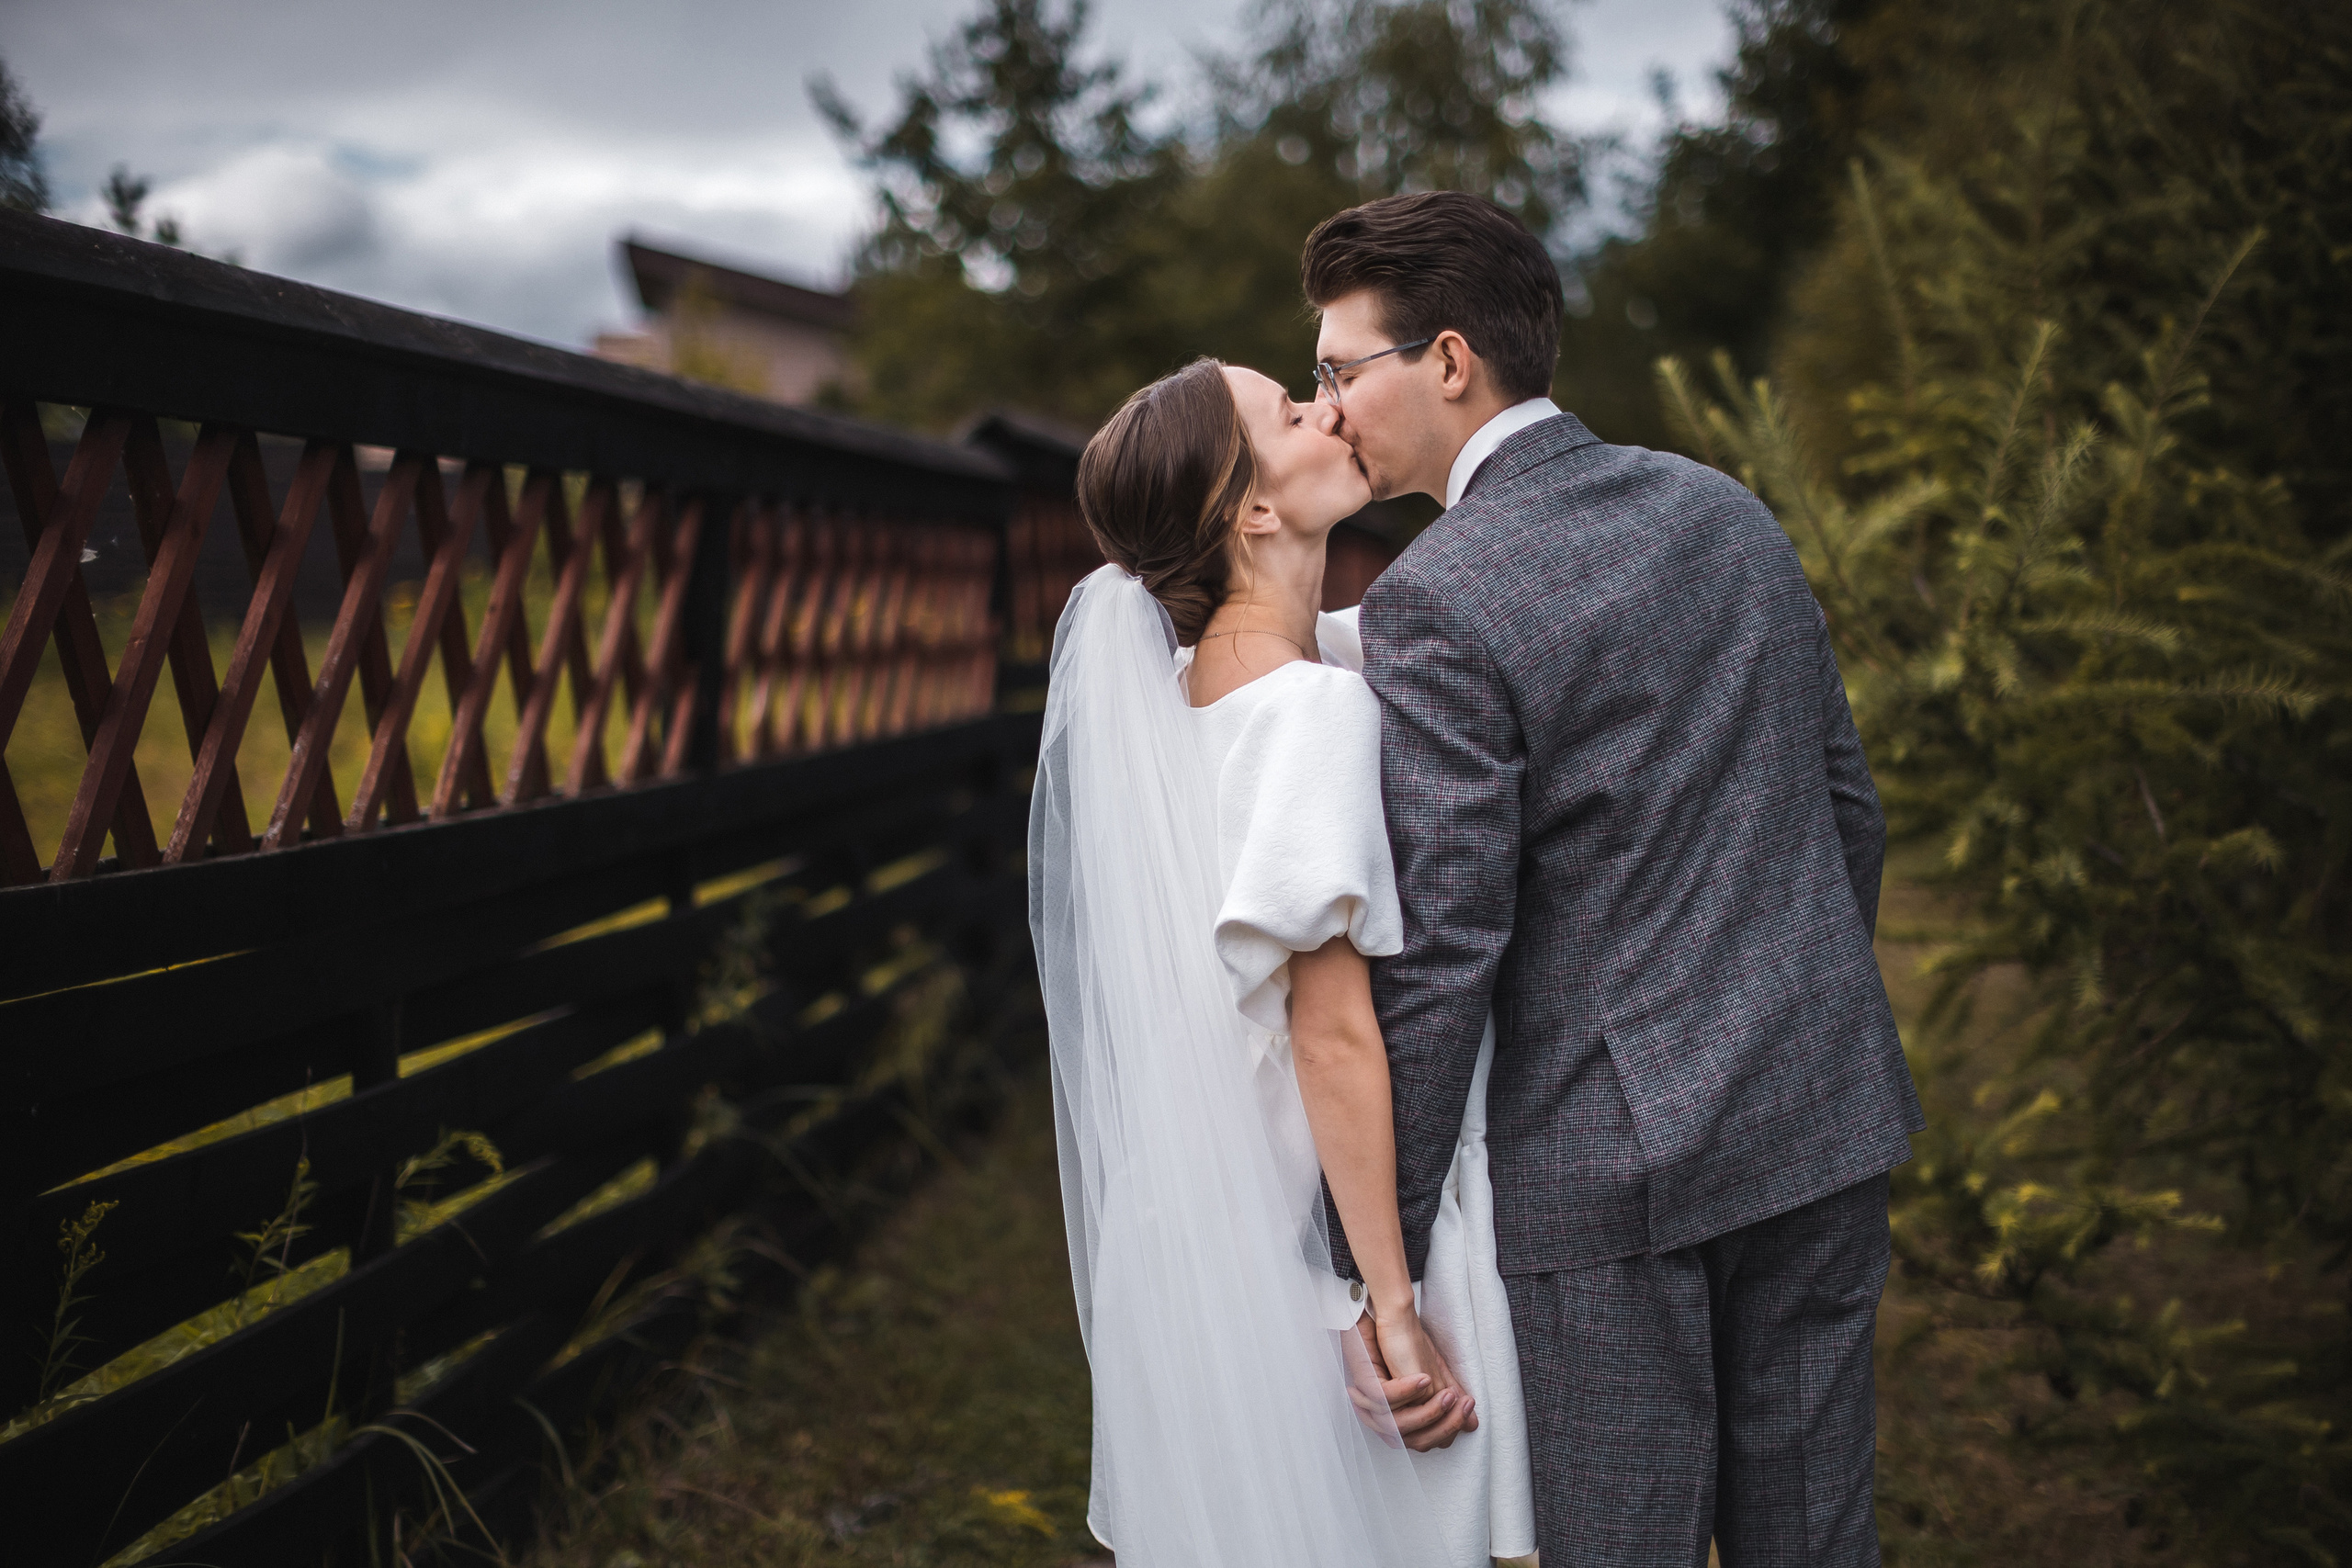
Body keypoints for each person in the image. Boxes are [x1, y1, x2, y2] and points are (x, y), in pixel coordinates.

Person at [1305, 189, 1925, 1567]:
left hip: (1613, 1172)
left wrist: (1373, 1266)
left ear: (1450, 360)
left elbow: (1442, 954)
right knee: (1816, 1540)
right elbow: (1844, 806)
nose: (1330, 405)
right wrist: (1793, 1011)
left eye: (1342, 369)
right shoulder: (1723, 508)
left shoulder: (1439, 594)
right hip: (1822, 1113)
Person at [1033, 355, 1534, 1566]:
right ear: (1253, 508)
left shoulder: (1187, 693)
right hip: (1300, 1250)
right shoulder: (1307, 714)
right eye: (1291, 408)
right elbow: (1330, 1033)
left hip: (1196, 1235)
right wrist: (1389, 1310)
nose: (1330, 409)